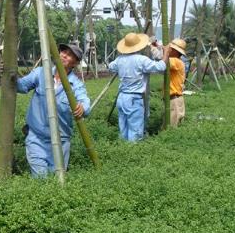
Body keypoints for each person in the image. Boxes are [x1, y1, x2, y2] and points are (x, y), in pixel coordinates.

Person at [16, 43, 91, 178]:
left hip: (61, 140)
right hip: (36, 137)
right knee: (40, 177)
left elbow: (85, 103)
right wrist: (10, 74)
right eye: (63, 52)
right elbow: (21, 86)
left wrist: (83, 107)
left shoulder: (76, 84)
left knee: (57, 180)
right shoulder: (41, 73)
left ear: (75, 63)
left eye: (69, 55)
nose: (64, 56)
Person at [108, 32, 169, 142]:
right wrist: (166, 54)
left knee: (123, 128)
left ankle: (123, 150)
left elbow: (111, 67)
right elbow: (160, 67)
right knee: (135, 131)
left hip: (121, 97)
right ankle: (132, 154)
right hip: (134, 99)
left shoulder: (119, 60)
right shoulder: (141, 60)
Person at [167, 38, 187, 127]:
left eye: (171, 48)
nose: (169, 50)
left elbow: (163, 61)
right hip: (174, 98)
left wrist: (155, 48)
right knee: (172, 125)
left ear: (175, 51)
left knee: (172, 126)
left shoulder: (175, 61)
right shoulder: (177, 61)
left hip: (174, 99)